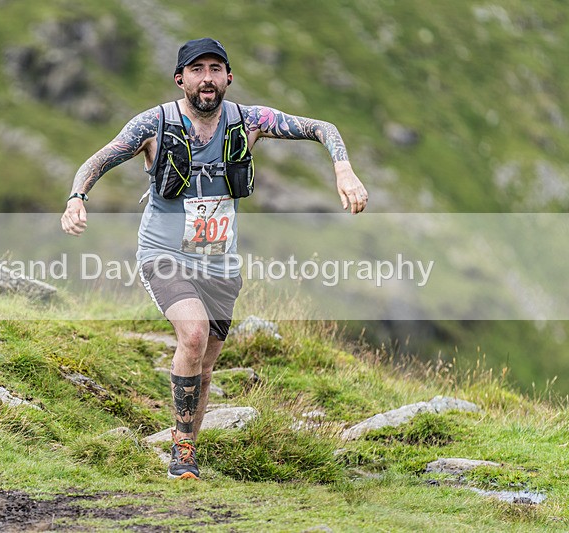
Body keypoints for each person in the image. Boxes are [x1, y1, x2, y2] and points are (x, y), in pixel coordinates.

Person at [61, 37, 368, 480]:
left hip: (220, 264)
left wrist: (342, 168)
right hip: (164, 255)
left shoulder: (249, 122)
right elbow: (99, 159)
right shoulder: (155, 124)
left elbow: (323, 128)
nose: (207, 78)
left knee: (205, 366)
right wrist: (76, 199)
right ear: (180, 78)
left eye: (215, 69)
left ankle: (189, 445)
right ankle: (181, 451)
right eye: (197, 70)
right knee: (193, 335)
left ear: (228, 77)